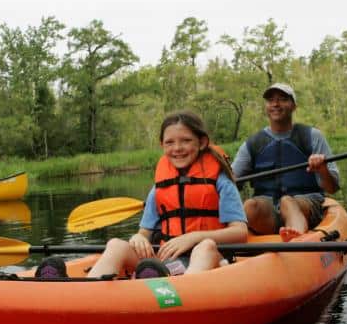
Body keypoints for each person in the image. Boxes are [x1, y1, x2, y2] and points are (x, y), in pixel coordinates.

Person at [36, 111, 248, 279]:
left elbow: (239, 232)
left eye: (185, 141)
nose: (178, 148)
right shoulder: (159, 188)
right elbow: (144, 234)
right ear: (161, 145)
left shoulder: (221, 182)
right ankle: (84, 289)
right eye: (170, 143)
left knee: (206, 246)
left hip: (210, 258)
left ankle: (176, 287)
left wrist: (193, 237)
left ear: (201, 143)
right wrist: (138, 238)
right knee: (116, 244)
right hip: (167, 258)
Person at [231, 83, 340, 242]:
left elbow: (332, 187)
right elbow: (232, 182)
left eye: (282, 99)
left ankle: (296, 240)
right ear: (266, 107)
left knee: (287, 201)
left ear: (294, 106)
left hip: (306, 203)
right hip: (268, 209)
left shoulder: (312, 136)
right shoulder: (252, 143)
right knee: (250, 205)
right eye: (270, 100)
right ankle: (231, 246)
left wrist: (322, 168)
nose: (275, 104)